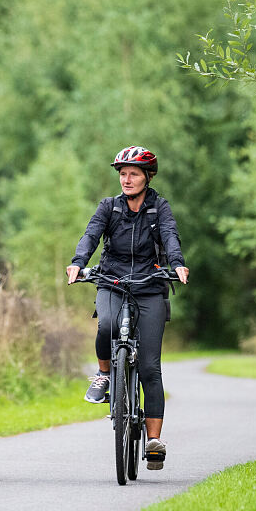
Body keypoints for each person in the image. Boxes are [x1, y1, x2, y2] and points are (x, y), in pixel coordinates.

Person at [66, 145, 189, 470]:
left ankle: (153, 440)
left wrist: (176, 264)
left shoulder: (159, 208)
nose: (127, 179)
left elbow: (170, 236)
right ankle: (105, 374)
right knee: (105, 325)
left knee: (150, 366)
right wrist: (78, 263)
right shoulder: (109, 207)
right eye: (123, 174)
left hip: (150, 285)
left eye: (134, 173)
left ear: (148, 177)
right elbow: (90, 235)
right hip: (112, 280)